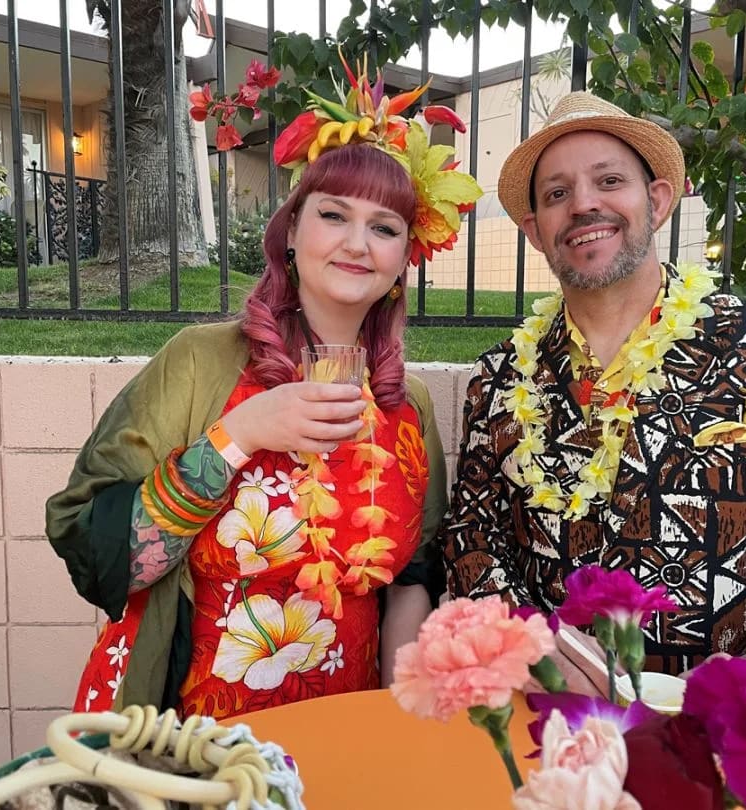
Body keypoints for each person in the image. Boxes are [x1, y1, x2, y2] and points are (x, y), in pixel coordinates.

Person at [46, 81, 481, 718]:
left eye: (384, 227)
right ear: (291, 231)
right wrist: (240, 436)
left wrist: (396, 723)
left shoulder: (405, 405)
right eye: (333, 215)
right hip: (198, 734)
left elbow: (413, 576)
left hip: (344, 732)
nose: (357, 243)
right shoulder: (201, 362)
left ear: (403, 258)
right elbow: (95, 550)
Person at [440, 91, 746, 688]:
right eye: (556, 194)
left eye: (609, 181)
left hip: (722, 728)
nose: (584, 204)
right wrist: (529, 654)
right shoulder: (501, 377)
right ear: (535, 230)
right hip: (552, 719)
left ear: (657, 201)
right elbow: (471, 543)